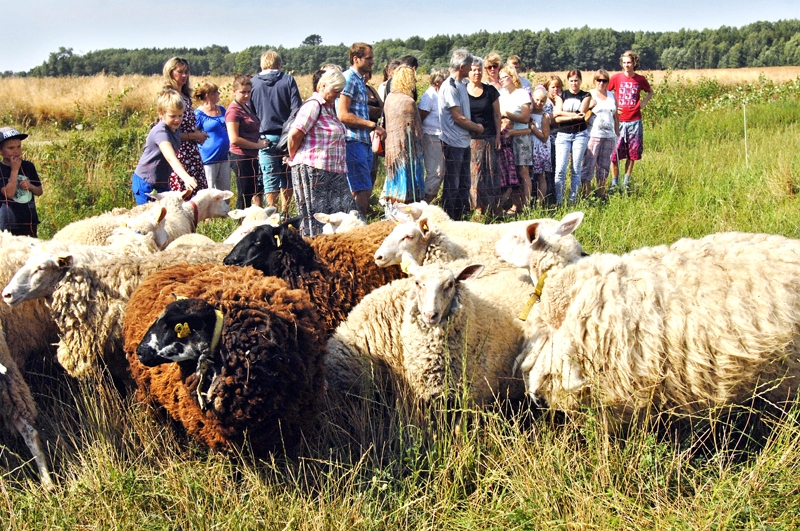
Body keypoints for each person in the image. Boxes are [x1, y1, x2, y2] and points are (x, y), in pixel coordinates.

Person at [288, 69, 362, 236]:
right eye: (335, 92)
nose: (337, 96)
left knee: (344, 214)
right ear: (322, 85)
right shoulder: (313, 105)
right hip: (313, 171)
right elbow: (295, 135)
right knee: (316, 218)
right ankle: (313, 252)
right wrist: (294, 156)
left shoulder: (328, 107)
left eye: (339, 93)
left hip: (333, 171)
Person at [337, 42, 386, 216]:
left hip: (361, 141)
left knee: (363, 187)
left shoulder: (359, 79)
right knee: (362, 189)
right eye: (369, 58)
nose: (372, 62)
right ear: (356, 59)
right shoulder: (349, 78)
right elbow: (342, 114)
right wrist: (372, 125)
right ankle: (358, 228)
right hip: (352, 140)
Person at [250, 50, 301, 214]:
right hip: (287, 137)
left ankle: (273, 214)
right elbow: (296, 109)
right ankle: (285, 213)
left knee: (269, 178)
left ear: (262, 64)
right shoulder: (288, 80)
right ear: (279, 65)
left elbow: (250, 113)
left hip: (264, 137)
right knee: (287, 177)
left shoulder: (252, 83)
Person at [438, 49, 484, 220]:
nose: (472, 69)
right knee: (453, 184)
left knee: (463, 183)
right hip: (453, 143)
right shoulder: (450, 87)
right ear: (462, 66)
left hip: (463, 142)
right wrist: (477, 127)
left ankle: (460, 216)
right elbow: (457, 117)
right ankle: (449, 218)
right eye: (470, 66)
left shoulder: (460, 84)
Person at [132, 90, 198, 206]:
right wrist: (186, 178)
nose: (177, 120)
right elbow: (170, 157)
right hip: (146, 182)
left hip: (161, 182)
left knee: (166, 217)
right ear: (161, 114)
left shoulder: (175, 128)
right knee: (149, 219)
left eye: (180, 115)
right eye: (172, 116)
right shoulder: (160, 132)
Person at [608, 50, 654, 192]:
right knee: (614, 154)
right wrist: (613, 109)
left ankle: (626, 182)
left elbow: (650, 92)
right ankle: (614, 183)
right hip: (619, 121)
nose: (627, 65)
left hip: (635, 120)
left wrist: (643, 103)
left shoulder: (640, 79)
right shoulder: (616, 78)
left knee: (632, 153)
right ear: (621, 64)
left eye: (629, 63)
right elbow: (607, 94)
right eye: (624, 63)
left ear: (634, 63)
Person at [162, 57, 208, 195]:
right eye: (180, 72)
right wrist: (193, 135)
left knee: (198, 197)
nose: (184, 75)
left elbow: (188, 123)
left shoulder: (186, 96)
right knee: (183, 196)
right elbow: (168, 132)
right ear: (170, 73)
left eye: (186, 72)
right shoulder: (169, 96)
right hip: (179, 152)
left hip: (192, 152)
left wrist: (198, 133)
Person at [381, 66, 425, 206]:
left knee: (394, 181)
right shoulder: (408, 101)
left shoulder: (389, 98)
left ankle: (391, 208)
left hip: (392, 149)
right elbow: (416, 129)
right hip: (408, 150)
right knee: (408, 181)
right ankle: (409, 208)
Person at [226, 75, 270, 209]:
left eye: (248, 92)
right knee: (244, 194)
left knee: (251, 192)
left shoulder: (245, 106)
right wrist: (257, 145)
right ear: (234, 92)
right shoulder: (233, 111)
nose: (246, 95)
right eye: (242, 92)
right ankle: (239, 223)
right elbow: (234, 139)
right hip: (240, 156)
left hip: (250, 156)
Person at [466, 56, 502, 216]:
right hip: (470, 140)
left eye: (479, 70)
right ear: (468, 72)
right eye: (473, 70)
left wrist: (498, 136)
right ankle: (476, 208)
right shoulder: (463, 91)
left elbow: (497, 115)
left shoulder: (491, 91)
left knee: (490, 174)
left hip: (489, 138)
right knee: (474, 175)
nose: (477, 73)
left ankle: (492, 208)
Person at [553, 69, 591, 205]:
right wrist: (573, 116)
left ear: (580, 81)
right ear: (567, 81)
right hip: (563, 135)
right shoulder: (561, 95)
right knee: (560, 169)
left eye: (576, 80)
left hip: (580, 134)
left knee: (576, 168)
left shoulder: (586, 95)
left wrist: (565, 114)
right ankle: (559, 200)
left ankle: (572, 200)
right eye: (571, 80)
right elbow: (556, 115)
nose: (574, 83)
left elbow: (582, 114)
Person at [498, 66, 533, 209]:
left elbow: (526, 118)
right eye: (500, 78)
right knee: (510, 171)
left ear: (513, 77)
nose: (502, 80)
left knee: (523, 170)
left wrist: (507, 114)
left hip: (520, 136)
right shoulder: (500, 94)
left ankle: (527, 205)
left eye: (505, 77)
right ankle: (514, 204)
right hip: (505, 136)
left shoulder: (522, 94)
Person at [581, 69, 619, 199]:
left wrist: (617, 131)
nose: (601, 83)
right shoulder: (589, 94)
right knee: (589, 164)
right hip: (593, 134)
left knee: (604, 165)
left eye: (604, 80)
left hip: (609, 136)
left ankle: (601, 192)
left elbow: (616, 115)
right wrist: (590, 106)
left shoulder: (611, 95)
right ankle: (586, 193)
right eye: (599, 80)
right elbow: (581, 113)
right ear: (594, 81)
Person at [0, 127, 43, 237]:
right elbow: (8, 194)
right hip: (8, 224)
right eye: (11, 148)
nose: (16, 151)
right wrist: (15, 170)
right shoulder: (1, 169)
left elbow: (39, 191)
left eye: (19, 147)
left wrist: (31, 186)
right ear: (1, 151)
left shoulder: (28, 166)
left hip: (29, 221)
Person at [193, 82, 230, 191]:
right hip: (208, 158)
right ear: (208, 95)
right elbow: (194, 133)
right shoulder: (198, 114)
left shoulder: (222, 109)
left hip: (224, 157)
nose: (219, 94)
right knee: (209, 192)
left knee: (225, 193)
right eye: (216, 92)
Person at [418, 67, 448, 203]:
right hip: (431, 136)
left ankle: (430, 198)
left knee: (441, 171)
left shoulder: (443, 95)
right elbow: (420, 118)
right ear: (438, 82)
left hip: (442, 137)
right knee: (435, 171)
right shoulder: (429, 96)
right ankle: (425, 202)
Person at [529, 87, 552, 204]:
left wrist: (533, 128)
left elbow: (545, 136)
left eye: (542, 101)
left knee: (540, 175)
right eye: (537, 100)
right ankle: (530, 199)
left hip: (540, 148)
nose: (538, 103)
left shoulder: (544, 116)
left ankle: (540, 201)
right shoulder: (529, 112)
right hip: (530, 144)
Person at [544, 75, 563, 205]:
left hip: (561, 138)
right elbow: (550, 120)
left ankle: (558, 196)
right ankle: (549, 196)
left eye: (558, 87)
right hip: (548, 140)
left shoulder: (563, 100)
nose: (555, 89)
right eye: (552, 87)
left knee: (559, 169)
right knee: (549, 170)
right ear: (547, 88)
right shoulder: (545, 102)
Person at [364, 70, 384, 185]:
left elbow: (382, 108)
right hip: (363, 130)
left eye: (367, 73)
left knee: (373, 167)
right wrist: (373, 111)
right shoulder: (355, 90)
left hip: (374, 132)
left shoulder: (371, 89)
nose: (365, 75)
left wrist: (371, 110)